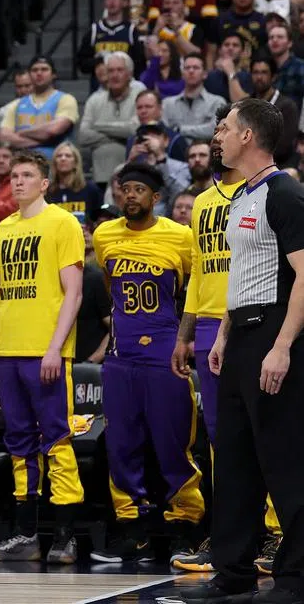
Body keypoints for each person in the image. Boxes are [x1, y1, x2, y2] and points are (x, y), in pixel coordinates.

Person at [179, 99, 304, 603]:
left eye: (226, 128)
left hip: (274, 334)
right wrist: (224, 336)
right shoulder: (240, 198)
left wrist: (282, 346)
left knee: (284, 461)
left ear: (248, 136)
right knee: (233, 460)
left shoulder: (286, 193)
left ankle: (294, 579)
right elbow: (242, 274)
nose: (218, 136)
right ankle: (232, 573)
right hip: (239, 339)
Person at [0, 149, 86, 564]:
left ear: (44, 183)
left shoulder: (62, 223)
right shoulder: (3, 228)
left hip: (46, 352)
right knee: (19, 442)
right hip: (9, 353)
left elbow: (73, 293)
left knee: (56, 439)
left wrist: (55, 347)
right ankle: (25, 536)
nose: (18, 181)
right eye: (14, 176)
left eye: (27, 175)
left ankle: (65, 536)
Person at [89, 163, 203, 563]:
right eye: (126, 189)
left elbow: (196, 289)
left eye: (139, 190)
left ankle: (185, 527)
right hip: (121, 357)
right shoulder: (104, 235)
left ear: (156, 198)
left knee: (173, 444)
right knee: (121, 445)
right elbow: (111, 290)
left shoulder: (181, 235)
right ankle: (132, 530)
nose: (131, 195)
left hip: (165, 353)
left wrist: (186, 339)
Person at [171, 106, 264, 574]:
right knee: (216, 437)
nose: (215, 139)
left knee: (261, 429)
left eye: (223, 130)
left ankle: (274, 532)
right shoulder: (204, 202)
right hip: (207, 326)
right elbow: (198, 273)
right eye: (214, 133)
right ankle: (227, 533)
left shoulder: (258, 193)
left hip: (250, 321)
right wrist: (183, 335)